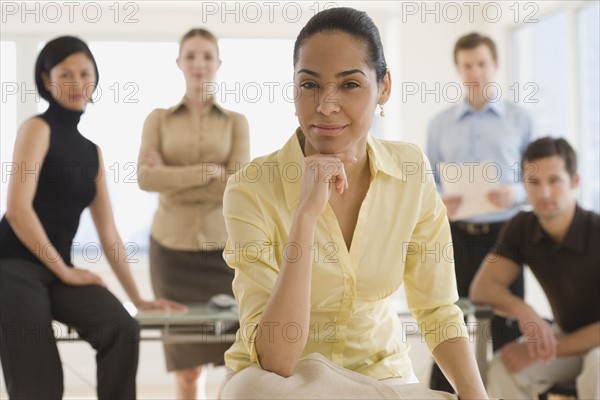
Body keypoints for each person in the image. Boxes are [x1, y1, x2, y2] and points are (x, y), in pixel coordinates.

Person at [218, 8, 488, 399]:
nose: (326, 106)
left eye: (349, 85)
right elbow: (275, 357)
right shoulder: (251, 188)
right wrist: (305, 216)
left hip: (380, 378)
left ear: (384, 88)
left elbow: (438, 311)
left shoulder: (410, 170)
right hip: (284, 382)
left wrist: (477, 397)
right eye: (310, 85)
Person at [0, 36, 183, 399]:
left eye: (85, 73)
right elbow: (18, 210)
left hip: (55, 271)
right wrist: (65, 271)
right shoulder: (37, 129)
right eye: (65, 73)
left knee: (122, 328)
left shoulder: (92, 153)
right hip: (13, 267)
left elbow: (109, 234)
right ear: (46, 80)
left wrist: (140, 298)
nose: (77, 82)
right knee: (42, 384)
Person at [137, 28, 250, 399]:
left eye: (206, 56)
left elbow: (239, 184)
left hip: (224, 254)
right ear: (179, 63)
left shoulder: (236, 122)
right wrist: (207, 172)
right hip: (171, 253)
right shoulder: (158, 119)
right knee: (187, 373)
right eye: (191, 56)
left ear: (218, 63)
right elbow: (145, 178)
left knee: (239, 364)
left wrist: (171, 174)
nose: (198, 64)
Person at [426, 32, 535, 392]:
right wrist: (440, 198)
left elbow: (536, 179)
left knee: (506, 328)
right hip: (455, 236)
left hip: (507, 236)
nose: (475, 71)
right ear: (458, 69)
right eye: (467, 65)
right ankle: (440, 396)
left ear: (496, 65)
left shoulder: (520, 120)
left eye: (482, 63)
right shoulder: (439, 124)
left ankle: (507, 394)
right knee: (447, 321)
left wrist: (516, 191)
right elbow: (429, 181)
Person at [470, 137, 599, 399]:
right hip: (564, 337)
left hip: (591, 345)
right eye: (534, 183)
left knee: (597, 365)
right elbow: (482, 288)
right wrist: (523, 310)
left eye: (554, 181)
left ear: (575, 182)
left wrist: (550, 346)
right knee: (503, 368)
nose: (544, 194)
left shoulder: (596, 231)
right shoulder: (522, 227)